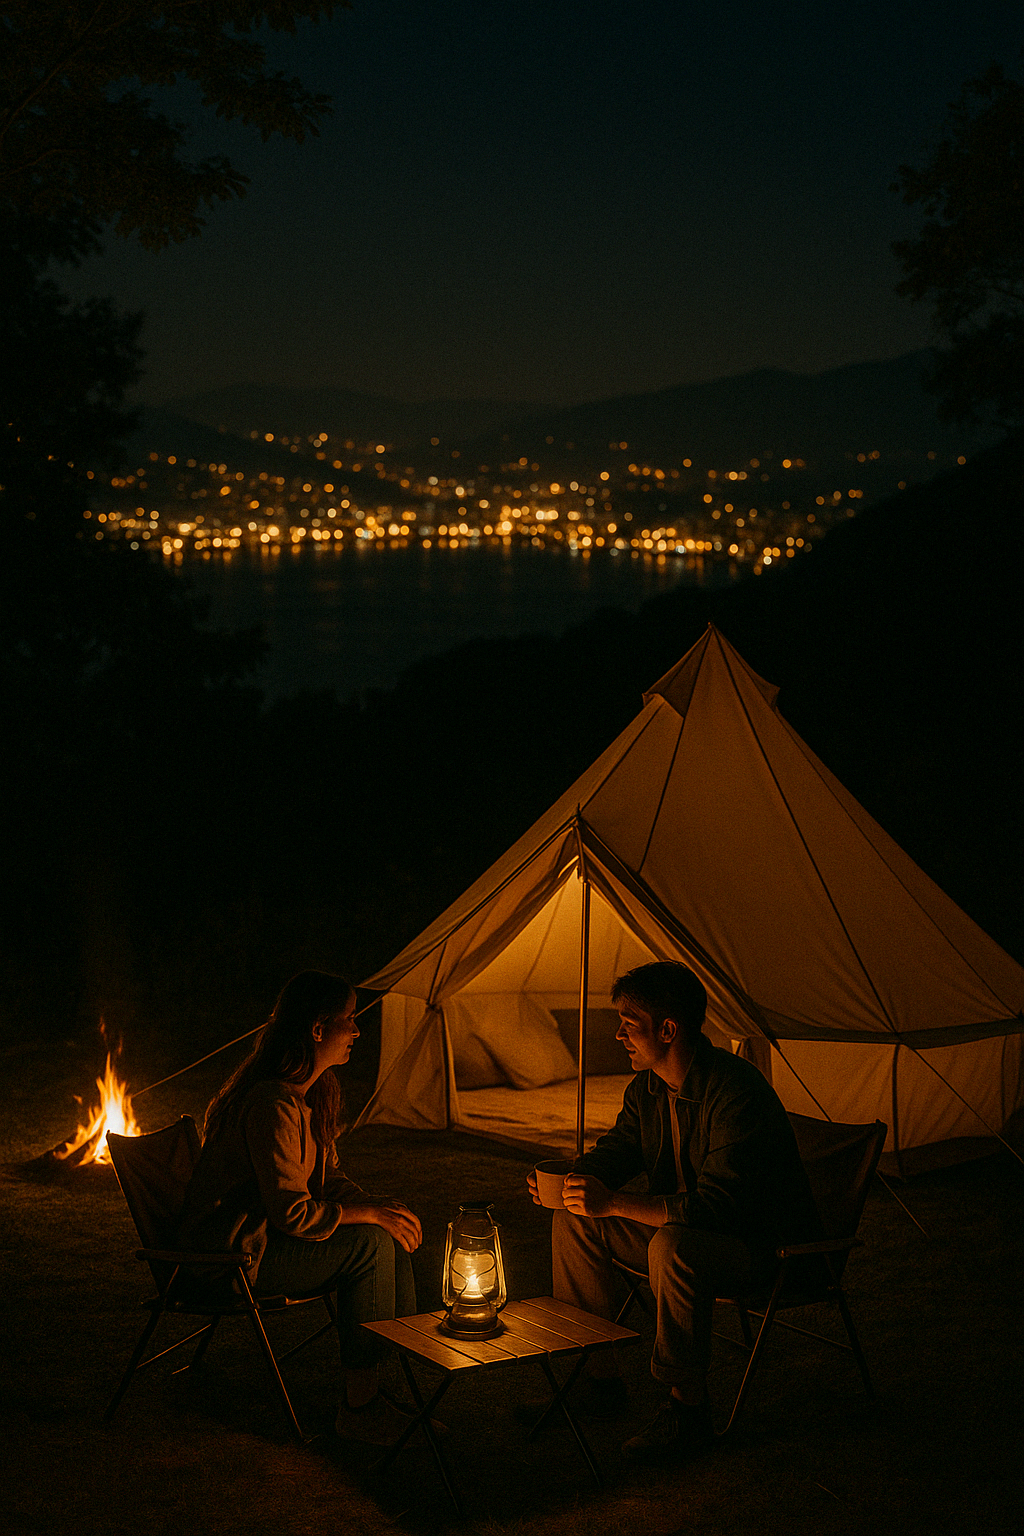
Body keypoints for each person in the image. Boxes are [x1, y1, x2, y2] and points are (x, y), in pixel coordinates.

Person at [527, 960, 821, 1462]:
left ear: (668, 1029)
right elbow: (619, 1150)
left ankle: (689, 1409)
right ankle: (598, 1378)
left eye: (629, 1022)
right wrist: (574, 1180)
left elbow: (715, 1208)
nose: (618, 1034)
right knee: (575, 1217)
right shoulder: (646, 1089)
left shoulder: (735, 1092)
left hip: (761, 1248)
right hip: (687, 1235)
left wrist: (615, 1201)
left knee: (673, 1244)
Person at [176, 970, 422, 1441]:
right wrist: (369, 1217)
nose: (356, 1030)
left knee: (385, 1231)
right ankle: (361, 1408)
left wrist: (378, 1206)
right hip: (231, 1260)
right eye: (349, 1020)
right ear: (317, 1029)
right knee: (369, 1243)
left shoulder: (309, 1095)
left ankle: (383, 1385)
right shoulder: (273, 1104)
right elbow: (293, 1213)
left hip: (261, 1245)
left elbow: (328, 1182)